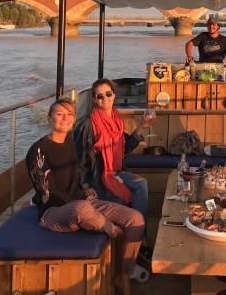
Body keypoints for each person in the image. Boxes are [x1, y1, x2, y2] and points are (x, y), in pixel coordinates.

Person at [26, 97, 144, 295]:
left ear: (73, 120)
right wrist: (99, 218)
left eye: (69, 115)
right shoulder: (38, 151)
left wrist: (85, 188)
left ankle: (123, 274)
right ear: (49, 119)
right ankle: (109, 229)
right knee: (82, 209)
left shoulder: (70, 142)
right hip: (53, 211)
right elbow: (47, 193)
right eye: (59, 114)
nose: (65, 118)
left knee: (135, 219)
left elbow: (76, 176)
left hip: (83, 203)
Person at [74, 78, 154, 258]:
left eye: (108, 94)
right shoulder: (88, 126)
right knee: (121, 201)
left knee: (141, 184)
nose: (105, 98)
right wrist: (86, 188)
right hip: (99, 179)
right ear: (94, 100)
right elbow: (78, 162)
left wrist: (142, 126)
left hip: (114, 173)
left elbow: (124, 147)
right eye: (99, 96)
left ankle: (141, 241)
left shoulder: (116, 120)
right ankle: (133, 246)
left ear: (114, 95)